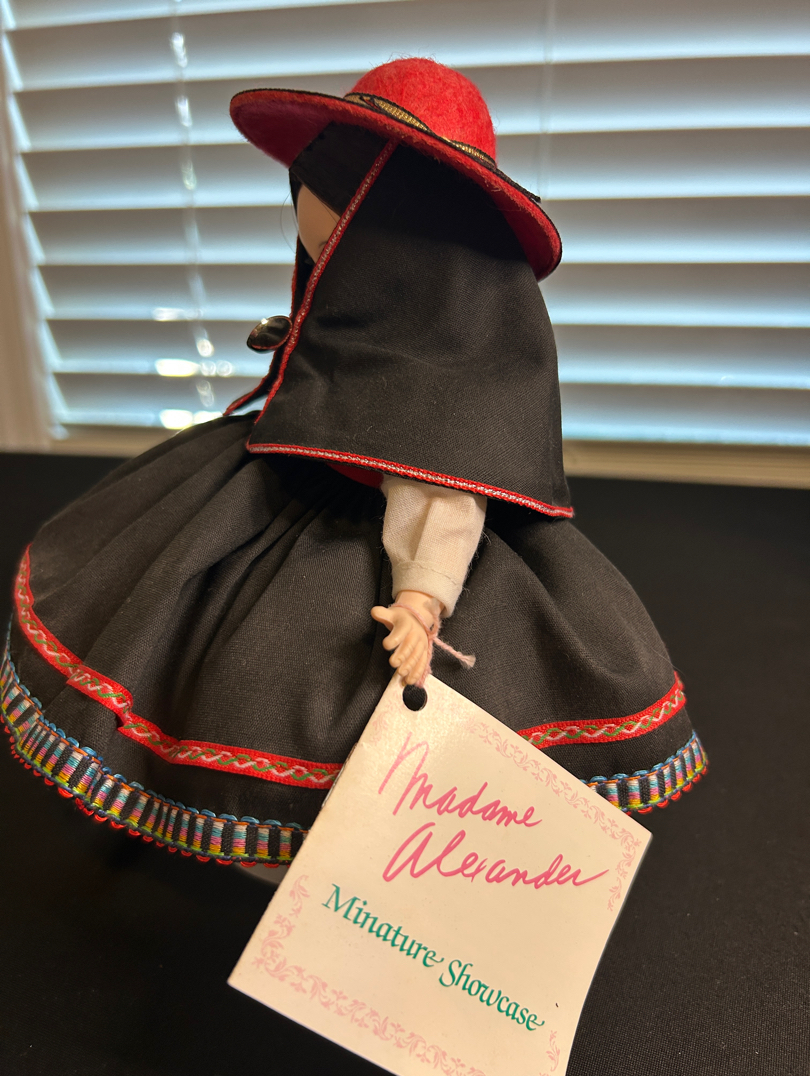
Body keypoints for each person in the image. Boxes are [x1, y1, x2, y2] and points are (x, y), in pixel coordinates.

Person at [2, 58, 706, 870]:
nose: (304, 198)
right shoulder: (357, 312)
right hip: (277, 487)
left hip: (383, 554)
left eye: (332, 190)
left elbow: (441, 493)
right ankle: (266, 833)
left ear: (394, 223)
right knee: (198, 641)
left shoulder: (448, 379)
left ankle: (340, 849)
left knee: (303, 692)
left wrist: (422, 599)